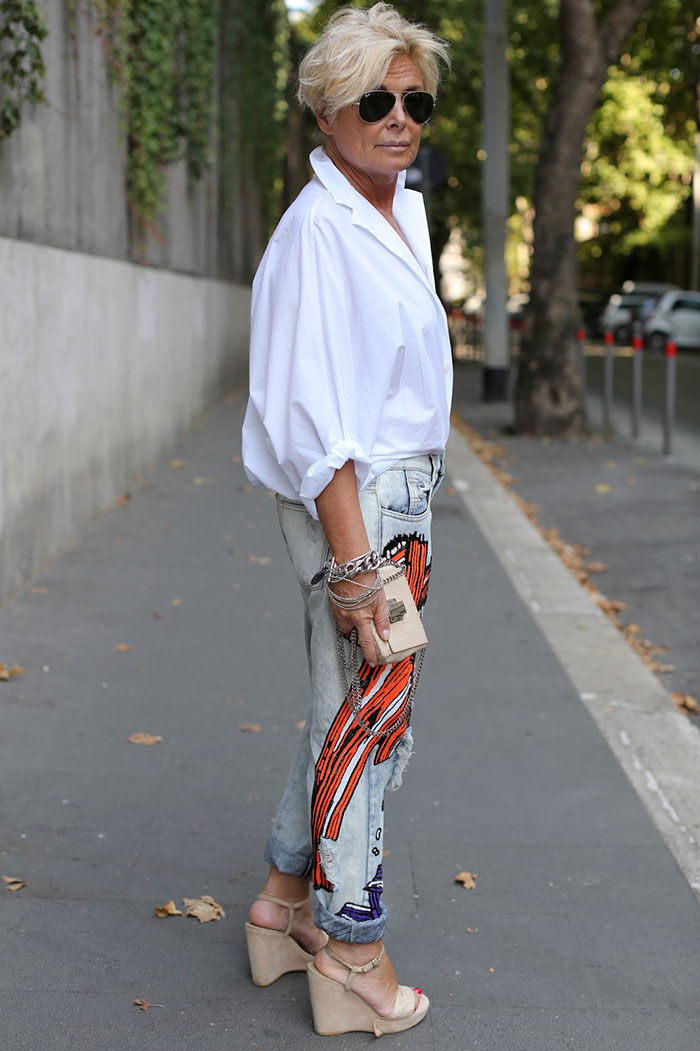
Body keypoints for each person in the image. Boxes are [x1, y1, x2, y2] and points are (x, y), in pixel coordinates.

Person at [241, 3, 451, 1037]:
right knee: (371, 724)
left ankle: (283, 903)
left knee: (351, 707)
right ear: (327, 113)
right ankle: (353, 950)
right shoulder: (318, 232)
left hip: (397, 496)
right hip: (359, 505)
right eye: (375, 100)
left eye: (415, 100)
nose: (398, 117)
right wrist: (356, 563)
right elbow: (313, 418)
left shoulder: (400, 209)